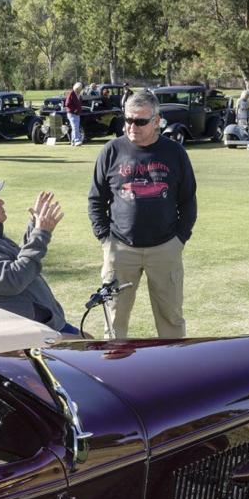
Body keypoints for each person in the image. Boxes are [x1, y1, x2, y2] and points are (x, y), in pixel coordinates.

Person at [87, 88, 196, 339]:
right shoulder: (111, 151)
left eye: (140, 121)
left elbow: (188, 201)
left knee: (171, 318)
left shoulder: (175, 153)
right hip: (120, 249)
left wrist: (179, 240)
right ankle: (115, 362)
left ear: (156, 121)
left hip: (165, 248)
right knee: (114, 319)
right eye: (127, 119)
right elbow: (96, 199)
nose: (131, 126)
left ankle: (174, 362)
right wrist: (105, 239)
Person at [0, 181, 76, 334]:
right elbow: (13, 280)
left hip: (40, 326)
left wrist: (35, 225)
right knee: (89, 344)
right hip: (29, 334)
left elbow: (18, 259)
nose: (1, 202)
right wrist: (41, 235)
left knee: (89, 341)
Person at [65, 82, 84, 146]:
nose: (80, 90)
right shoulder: (71, 94)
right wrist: (74, 109)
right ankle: (76, 140)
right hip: (72, 113)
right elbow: (67, 104)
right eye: (79, 89)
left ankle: (73, 141)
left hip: (77, 113)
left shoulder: (79, 95)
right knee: (75, 127)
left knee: (75, 127)